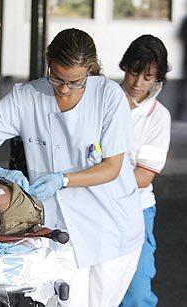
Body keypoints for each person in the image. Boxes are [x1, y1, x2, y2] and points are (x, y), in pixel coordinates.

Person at [0, 28, 144, 307]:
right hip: (60, 229)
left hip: (113, 226)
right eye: (57, 77)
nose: (65, 88)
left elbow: (112, 168)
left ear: (90, 70)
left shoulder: (108, 96)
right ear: (48, 60)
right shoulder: (26, 97)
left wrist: (63, 179)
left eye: (76, 81)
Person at [119, 35, 171, 307]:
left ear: (158, 77)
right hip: (92, 208)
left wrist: (95, 176)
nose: (138, 83)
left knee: (137, 294)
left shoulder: (158, 117)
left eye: (148, 77)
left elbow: (143, 177)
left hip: (135, 211)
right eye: (133, 72)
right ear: (124, 67)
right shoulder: (103, 100)